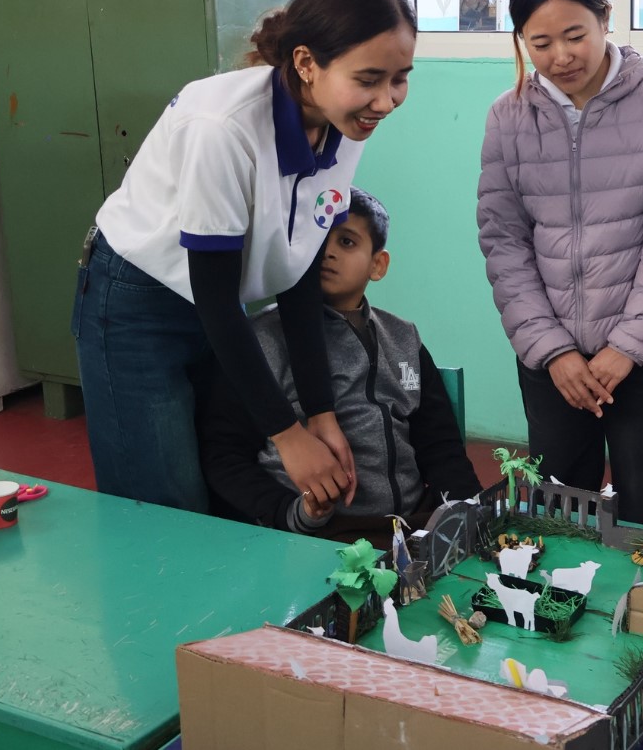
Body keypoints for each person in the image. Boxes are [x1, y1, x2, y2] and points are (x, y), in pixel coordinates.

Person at [71, 0, 416, 513]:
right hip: (139, 303)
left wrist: (319, 413)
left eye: (400, 78)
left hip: (221, 306)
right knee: (166, 506)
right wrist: (289, 436)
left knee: (221, 490)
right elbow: (216, 298)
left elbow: (300, 266)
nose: (386, 100)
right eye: (369, 79)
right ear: (306, 63)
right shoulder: (222, 128)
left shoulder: (345, 120)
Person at [476, 0, 643, 525]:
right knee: (557, 514)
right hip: (552, 359)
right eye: (540, 43)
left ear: (605, 17)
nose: (560, 57)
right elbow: (504, 241)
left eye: (575, 35)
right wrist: (551, 350)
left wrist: (627, 346)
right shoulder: (508, 117)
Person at [198, 188, 482, 546]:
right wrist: (289, 512)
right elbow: (224, 457)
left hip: (411, 527)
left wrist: (470, 510)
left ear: (377, 265)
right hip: (317, 537)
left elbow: (440, 446)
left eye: (346, 242)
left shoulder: (404, 337)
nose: (326, 252)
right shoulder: (260, 341)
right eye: (317, 240)